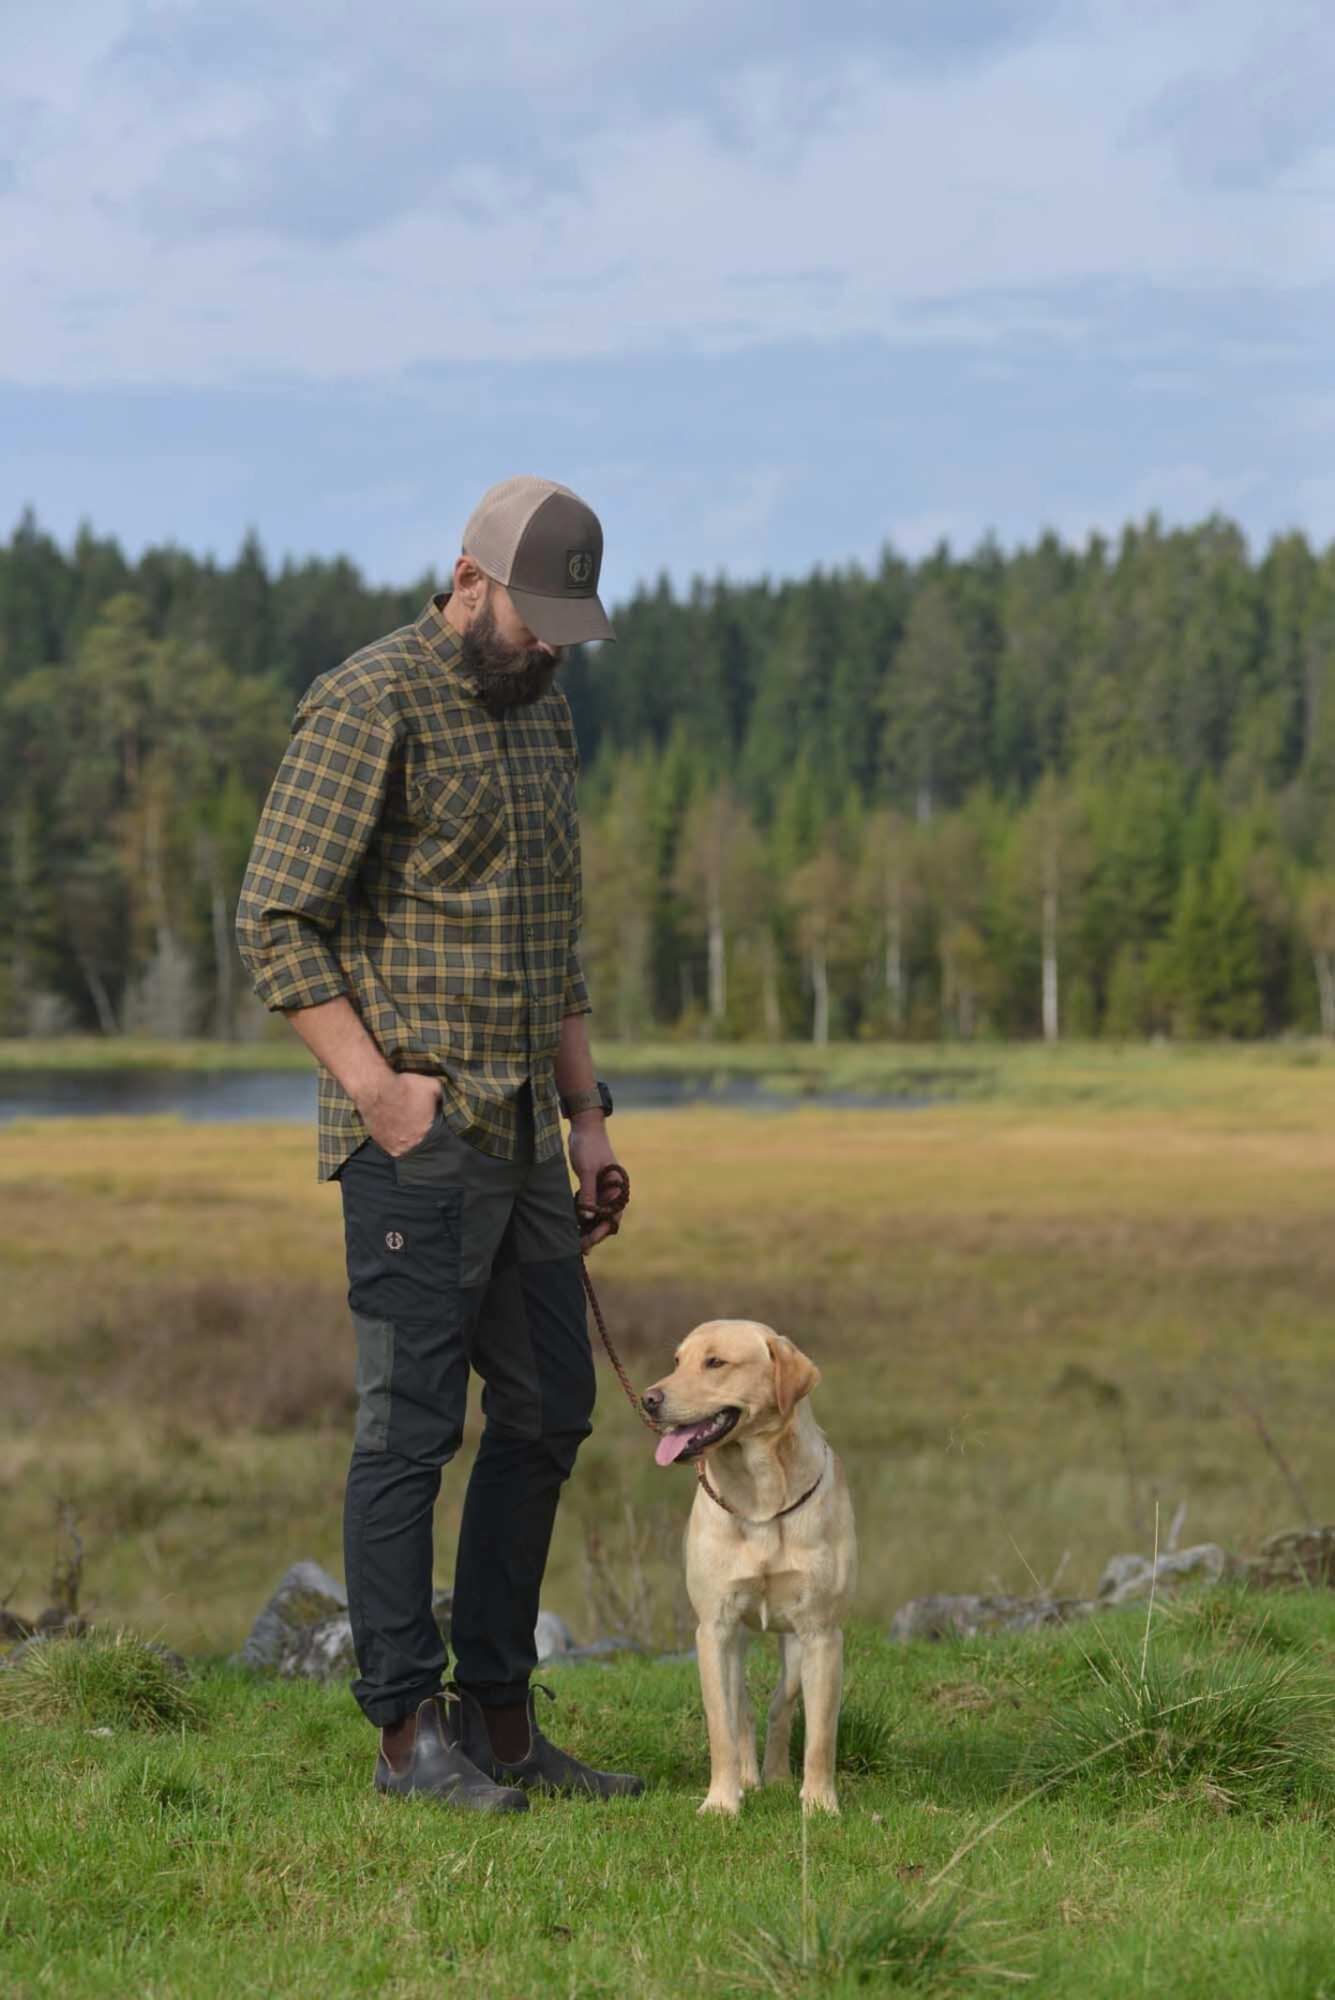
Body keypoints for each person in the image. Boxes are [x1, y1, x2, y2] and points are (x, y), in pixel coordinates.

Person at [236, 477, 643, 1813]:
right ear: (468, 579)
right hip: (413, 1139)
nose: (551, 644)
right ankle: (409, 1735)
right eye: (537, 618)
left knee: (549, 1413)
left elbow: (557, 937)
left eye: (568, 628)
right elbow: (277, 919)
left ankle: (503, 1721)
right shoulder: (368, 701)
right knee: (412, 1431)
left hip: (529, 1134)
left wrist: (587, 1119)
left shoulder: (546, 714)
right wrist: (376, 1088)